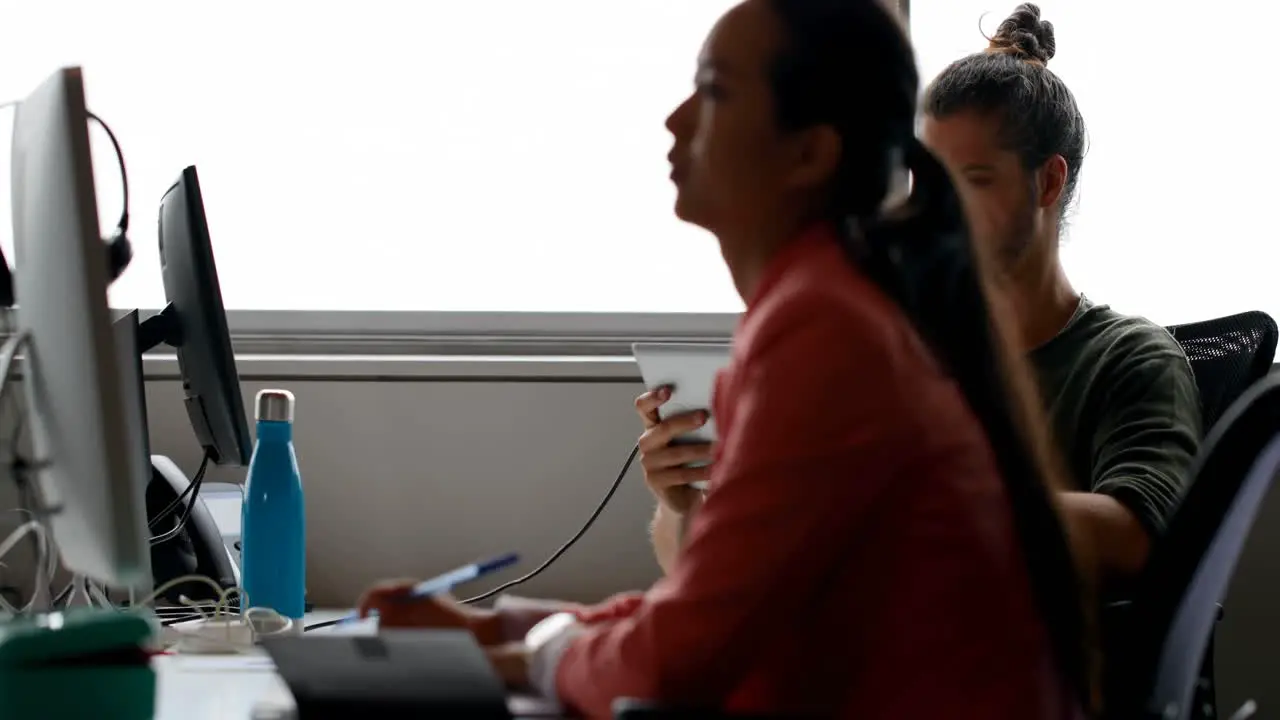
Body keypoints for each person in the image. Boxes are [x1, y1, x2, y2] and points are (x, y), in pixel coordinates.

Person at [360, 0, 1093, 717]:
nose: (676, 119)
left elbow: (680, 658)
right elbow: (707, 606)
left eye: (713, 91)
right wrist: (498, 629)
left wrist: (513, 655)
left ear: (809, 152)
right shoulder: (823, 305)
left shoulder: (827, 327)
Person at [641, 2, 1201, 585]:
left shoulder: (1131, 359)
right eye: (931, 180)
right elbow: (730, 576)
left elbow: (1139, 535)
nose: (941, 208)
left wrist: (919, 490)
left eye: (973, 181)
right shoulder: (894, 347)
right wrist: (683, 502)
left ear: (1048, 182)